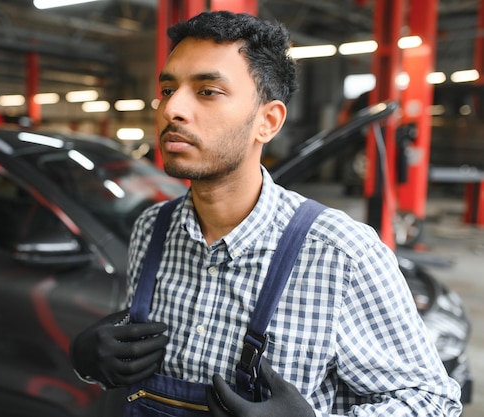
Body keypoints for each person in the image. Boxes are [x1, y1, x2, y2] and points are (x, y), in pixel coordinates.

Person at [72, 10, 463, 417]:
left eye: (207, 91)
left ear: (268, 121)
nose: (173, 110)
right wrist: (89, 365)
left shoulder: (341, 255)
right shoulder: (150, 230)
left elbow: (434, 402)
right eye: (168, 89)